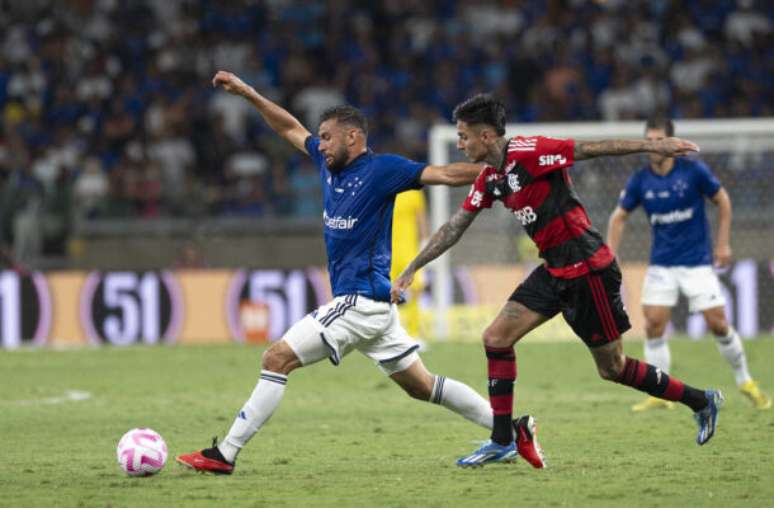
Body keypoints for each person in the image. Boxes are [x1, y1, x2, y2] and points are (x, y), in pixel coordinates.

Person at [176, 73, 546, 474]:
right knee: (422, 386)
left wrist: (506, 169)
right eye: (319, 137)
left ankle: (224, 454)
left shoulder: (383, 170)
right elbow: (287, 126)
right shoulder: (325, 162)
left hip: (358, 303)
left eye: (328, 137)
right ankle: (511, 429)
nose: (320, 144)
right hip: (376, 308)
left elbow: (442, 173)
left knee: (276, 357)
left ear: (353, 137)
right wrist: (248, 94)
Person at [392, 94, 724, 468]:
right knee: (495, 338)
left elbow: (589, 150)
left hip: (587, 267)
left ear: (486, 136)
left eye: (464, 135)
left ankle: (700, 399)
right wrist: (411, 269)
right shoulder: (491, 178)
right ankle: (503, 440)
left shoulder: (531, 152)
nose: (459, 143)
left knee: (612, 368)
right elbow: (454, 228)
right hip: (552, 270)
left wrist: (654, 145)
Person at [607, 116, 771, 412]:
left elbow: (723, 200)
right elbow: (618, 217)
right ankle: (659, 393)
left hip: (697, 263)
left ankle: (745, 379)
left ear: (671, 142)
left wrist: (723, 243)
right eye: (650, 140)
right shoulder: (640, 181)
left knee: (717, 323)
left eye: (659, 140)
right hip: (661, 265)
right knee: (654, 324)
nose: (654, 146)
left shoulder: (694, 171)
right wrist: (611, 253)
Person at [391, 189, 429, 340]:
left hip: (410, 252)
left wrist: (425, 244)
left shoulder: (415, 193)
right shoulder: (386, 190)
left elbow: (422, 220)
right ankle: (393, 334)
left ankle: (414, 334)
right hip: (388, 252)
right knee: (388, 294)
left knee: (415, 290)